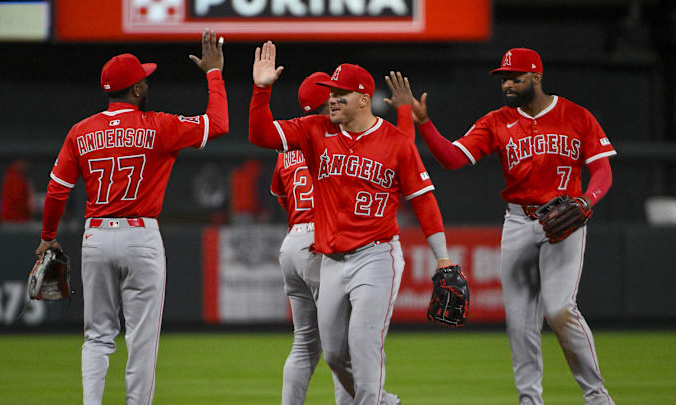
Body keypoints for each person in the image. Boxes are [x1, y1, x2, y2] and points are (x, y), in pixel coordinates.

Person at [250, 41, 455, 405]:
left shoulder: (396, 142)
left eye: (341, 95)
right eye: (331, 93)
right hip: (331, 259)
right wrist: (261, 90)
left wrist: (443, 257)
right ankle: (381, 401)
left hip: (377, 256)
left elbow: (423, 200)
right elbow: (261, 136)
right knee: (332, 354)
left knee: (364, 348)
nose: (332, 100)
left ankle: (370, 398)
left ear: (364, 99)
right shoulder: (315, 131)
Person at [412, 48, 616, 405]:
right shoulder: (496, 121)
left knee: (559, 309)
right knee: (519, 322)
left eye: (515, 77)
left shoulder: (576, 116)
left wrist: (587, 200)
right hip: (519, 222)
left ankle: (597, 397)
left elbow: (602, 170)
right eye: (503, 78)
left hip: (564, 221)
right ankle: (529, 400)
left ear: (536, 77)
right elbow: (452, 158)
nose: (507, 84)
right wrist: (425, 124)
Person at [34, 30, 228, 405]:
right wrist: (214, 73)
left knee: (97, 335)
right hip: (141, 237)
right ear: (137, 89)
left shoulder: (81, 131)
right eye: (145, 78)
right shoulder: (160, 125)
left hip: (96, 237)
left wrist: (47, 236)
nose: (147, 82)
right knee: (141, 338)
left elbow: (58, 190)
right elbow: (217, 123)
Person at [271, 71, 414, 405]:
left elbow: (281, 198)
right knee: (347, 346)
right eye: (332, 93)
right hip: (327, 241)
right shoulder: (331, 138)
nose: (336, 96)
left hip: (292, 240)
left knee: (304, 342)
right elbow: (400, 151)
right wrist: (405, 112)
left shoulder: (287, 145)